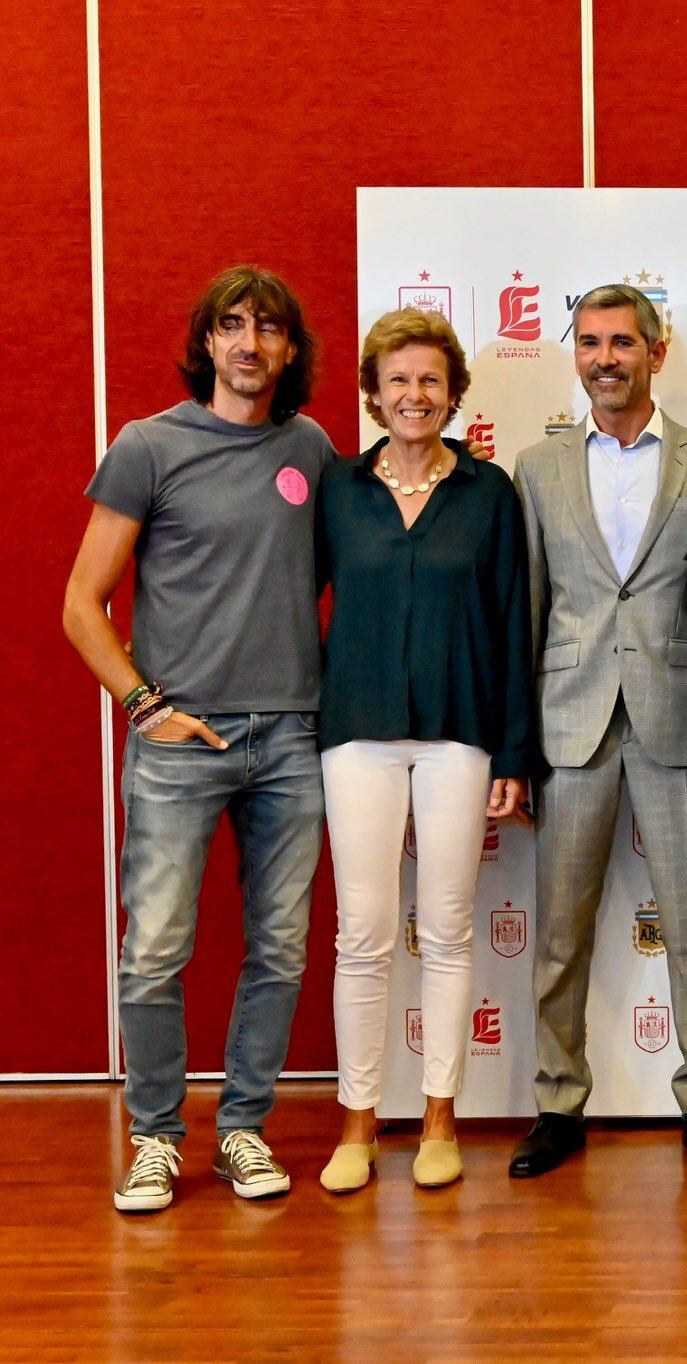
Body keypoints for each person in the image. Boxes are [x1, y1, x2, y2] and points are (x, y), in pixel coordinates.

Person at [62, 265, 335, 1212]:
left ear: (290, 351)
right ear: (207, 342)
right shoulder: (147, 446)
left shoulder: (312, 446)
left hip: (293, 740)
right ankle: (154, 1138)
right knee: (156, 951)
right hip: (180, 741)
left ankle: (244, 1131)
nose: (249, 343)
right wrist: (145, 706)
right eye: (232, 326)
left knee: (282, 949)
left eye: (267, 328)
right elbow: (80, 606)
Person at [508, 283, 687, 1180]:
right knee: (560, 931)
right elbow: (530, 605)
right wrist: (517, 749)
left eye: (623, 343)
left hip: (680, 716)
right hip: (569, 719)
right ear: (576, 353)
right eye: (591, 342)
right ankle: (558, 1105)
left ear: (656, 350)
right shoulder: (538, 466)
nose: (606, 358)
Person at [314, 308, 537, 1193]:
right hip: (355, 736)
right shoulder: (336, 488)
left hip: (461, 733)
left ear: (454, 397)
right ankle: (358, 1124)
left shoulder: (488, 494)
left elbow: (513, 622)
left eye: (430, 381)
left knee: (446, 932)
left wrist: (514, 752)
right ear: (373, 394)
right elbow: (298, 605)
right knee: (362, 938)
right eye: (397, 379)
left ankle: (440, 1118)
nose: (414, 395)